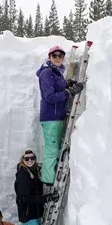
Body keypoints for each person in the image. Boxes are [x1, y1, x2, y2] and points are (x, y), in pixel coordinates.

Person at [36, 45, 85, 185]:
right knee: (51, 151)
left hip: (57, 117)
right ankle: (48, 182)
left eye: (60, 56)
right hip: (51, 118)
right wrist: (69, 92)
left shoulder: (55, 72)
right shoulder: (47, 73)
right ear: (49, 57)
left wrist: (67, 84)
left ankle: (50, 177)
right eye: (54, 55)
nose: (58, 58)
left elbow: (56, 88)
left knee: (55, 149)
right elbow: (49, 97)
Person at [14, 150, 59, 225]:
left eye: (32, 158)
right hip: (28, 214)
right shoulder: (23, 176)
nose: (30, 161)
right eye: (27, 159)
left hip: (34, 211)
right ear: (22, 160)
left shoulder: (34, 170)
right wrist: (46, 198)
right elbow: (26, 198)